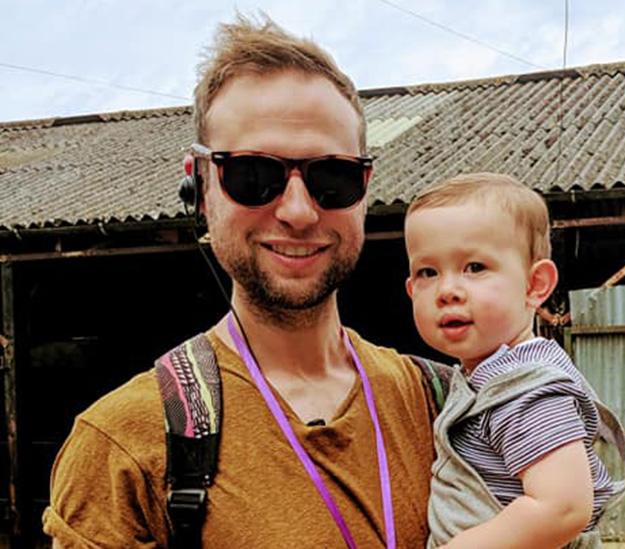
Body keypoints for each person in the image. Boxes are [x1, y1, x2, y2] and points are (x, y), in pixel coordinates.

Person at [43, 14, 436, 548]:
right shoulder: (125, 445)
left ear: (366, 187)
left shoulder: (444, 405)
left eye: (332, 177)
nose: (298, 211)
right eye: (254, 176)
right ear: (199, 187)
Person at [403, 173, 625, 549]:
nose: (447, 291)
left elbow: (563, 507)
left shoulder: (525, 388)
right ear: (411, 291)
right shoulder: (483, 377)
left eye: (474, 267)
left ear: (534, 285)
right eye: (428, 272)